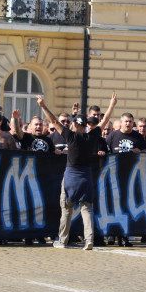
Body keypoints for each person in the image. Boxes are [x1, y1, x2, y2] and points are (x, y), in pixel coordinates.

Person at [39, 92, 116, 250]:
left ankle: (63, 240)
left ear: (75, 125)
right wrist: (111, 106)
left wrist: (43, 106)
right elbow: (104, 121)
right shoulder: (92, 136)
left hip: (71, 176)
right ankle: (89, 240)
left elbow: (53, 121)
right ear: (85, 125)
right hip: (86, 176)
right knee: (86, 209)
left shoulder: (71, 136)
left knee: (66, 208)